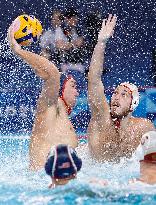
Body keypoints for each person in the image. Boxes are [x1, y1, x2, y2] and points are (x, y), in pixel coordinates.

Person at [8, 20, 79, 171]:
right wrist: (18, 50)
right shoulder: (50, 107)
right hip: (42, 182)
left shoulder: (63, 120)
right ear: (60, 91)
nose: (77, 92)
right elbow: (52, 74)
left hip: (57, 182)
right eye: (73, 86)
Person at [87, 14, 155, 162]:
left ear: (133, 104)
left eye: (124, 94)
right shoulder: (101, 120)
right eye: (115, 93)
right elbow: (93, 80)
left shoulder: (143, 128)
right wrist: (101, 42)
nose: (116, 97)